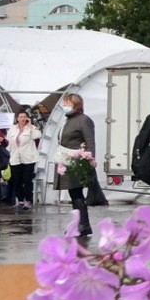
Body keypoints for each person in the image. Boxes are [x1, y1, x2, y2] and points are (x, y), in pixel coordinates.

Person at [53, 93, 98, 235]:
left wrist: (90, 159)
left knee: (77, 193)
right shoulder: (67, 120)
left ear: (75, 104)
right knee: (74, 193)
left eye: (67, 103)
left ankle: (83, 224)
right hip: (66, 161)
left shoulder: (83, 120)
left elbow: (90, 141)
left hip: (77, 162)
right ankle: (79, 223)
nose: (64, 106)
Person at [8, 108, 41, 210]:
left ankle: (28, 200)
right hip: (15, 158)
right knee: (17, 180)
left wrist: (30, 126)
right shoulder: (12, 129)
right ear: (17, 118)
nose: (23, 118)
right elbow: (9, 142)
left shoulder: (31, 128)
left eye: (25, 117)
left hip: (28, 158)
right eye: (21, 117)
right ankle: (21, 200)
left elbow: (37, 136)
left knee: (27, 180)